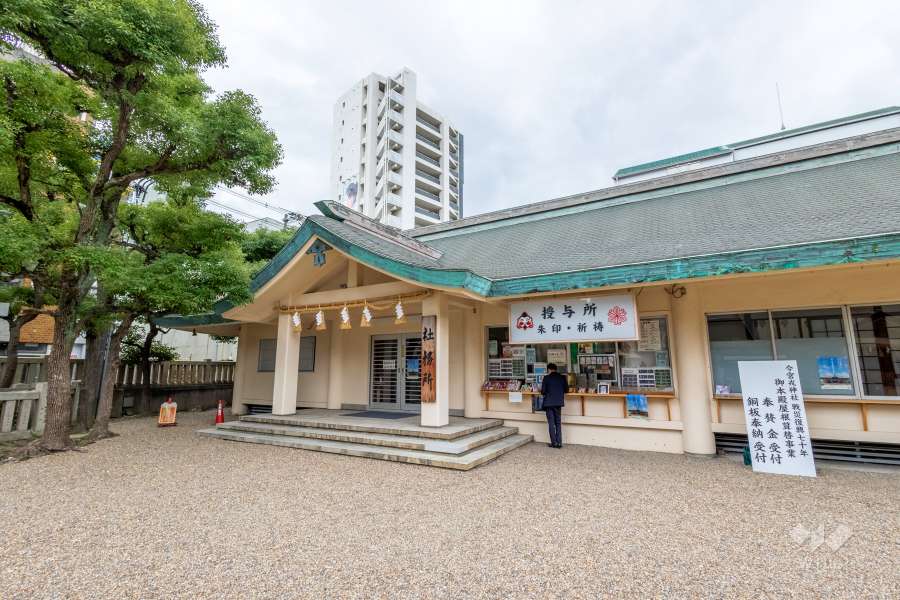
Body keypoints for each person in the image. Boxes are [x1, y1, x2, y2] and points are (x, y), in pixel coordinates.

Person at [540, 363, 568, 448]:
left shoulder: (546, 378)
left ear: (549, 369)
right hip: (558, 403)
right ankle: (559, 443)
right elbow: (566, 390)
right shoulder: (562, 377)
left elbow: (543, 391)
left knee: (551, 423)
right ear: (556, 369)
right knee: (558, 423)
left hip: (549, 403)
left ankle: (554, 443)